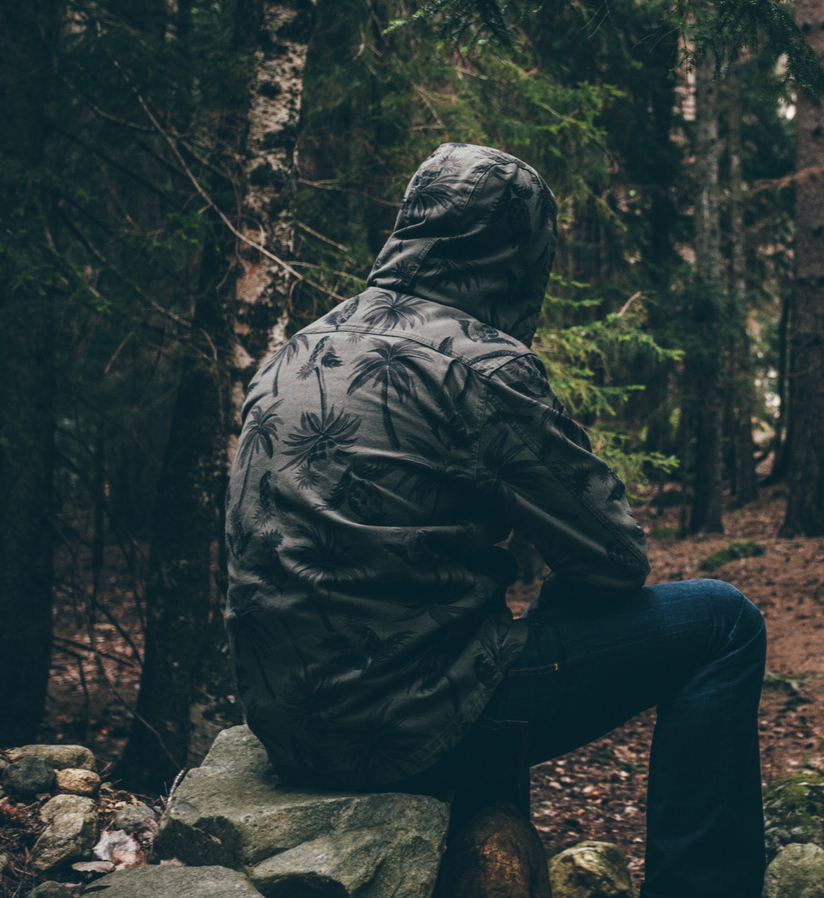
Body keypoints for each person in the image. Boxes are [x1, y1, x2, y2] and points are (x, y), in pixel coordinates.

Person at [224, 143, 766, 898]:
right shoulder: (480, 363)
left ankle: (489, 855)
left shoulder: (295, 351)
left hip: (288, 727)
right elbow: (614, 557)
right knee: (723, 623)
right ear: (522, 249)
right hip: (409, 730)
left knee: (482, 628)